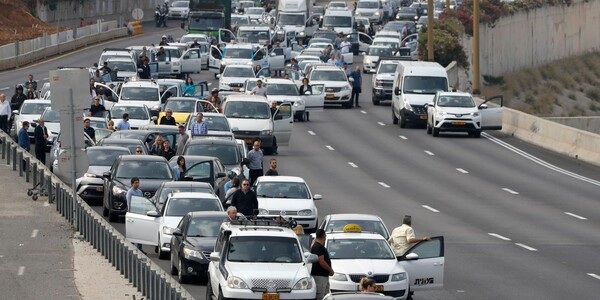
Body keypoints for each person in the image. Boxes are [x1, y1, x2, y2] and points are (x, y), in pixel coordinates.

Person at [311, 229, 334, 300]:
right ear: (324, 236)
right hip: (320, 277)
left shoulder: (318, 246)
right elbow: (322, 262)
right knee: (320, 296)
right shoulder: (318, 247)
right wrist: (330, 270)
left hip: (323, 276)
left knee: (326, 296)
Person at [126, 177, 145, 251]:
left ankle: (140, 248)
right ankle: (132, 248)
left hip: (139, 213)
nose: (137, 184)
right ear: (132, 184)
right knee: (133, 232)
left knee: (139, 232)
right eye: (136, 183)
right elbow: (129, 203)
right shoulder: (130, 192)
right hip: (133, 214)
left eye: (138, 182)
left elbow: (142, 202)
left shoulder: (140, 192)